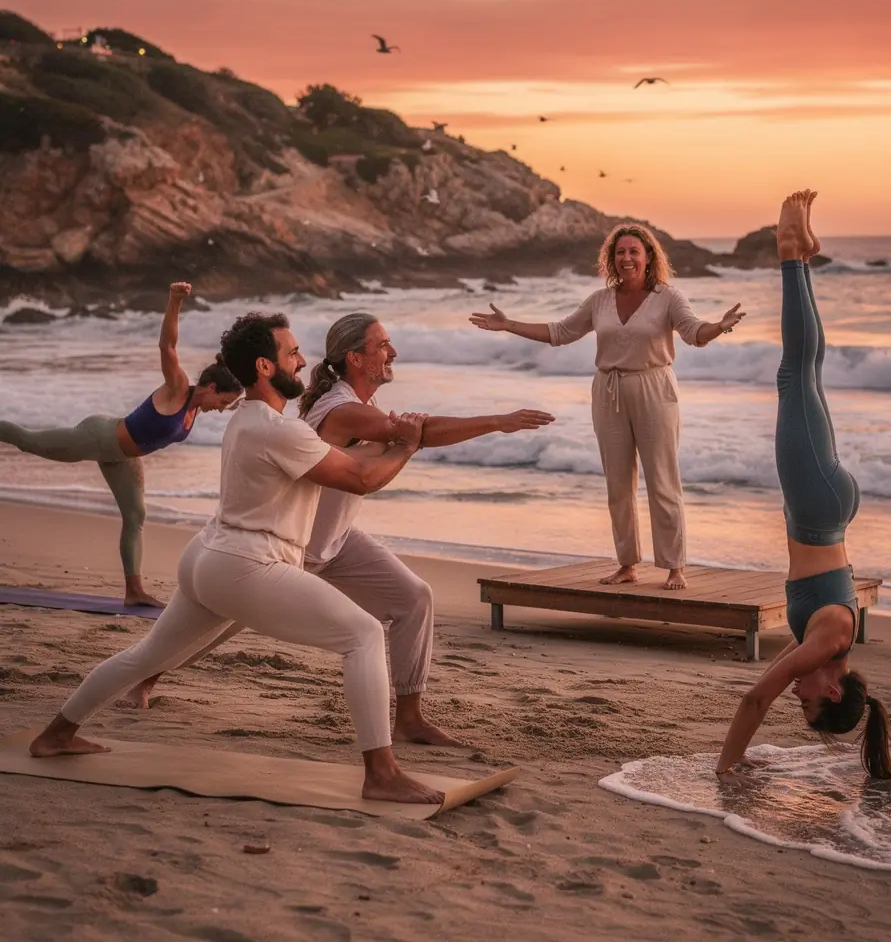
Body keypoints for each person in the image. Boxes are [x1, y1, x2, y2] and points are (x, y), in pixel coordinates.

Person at [29, 311, 446, 805]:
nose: (303, 360)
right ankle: (381, 773)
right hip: (247, 564)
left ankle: (57, 734)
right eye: (292, 353)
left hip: (209, 555)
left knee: (148, 656)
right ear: (267, 367)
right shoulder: (280, 431)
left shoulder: (251, 420)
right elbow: (360, 480)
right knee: (364, 634)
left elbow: (348, 465)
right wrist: (409, 444)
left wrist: (390, 446)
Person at [124, 313, 556, 741]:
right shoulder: (342, 411)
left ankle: (409, 718)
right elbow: (420, 433)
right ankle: (146, 675)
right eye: (381, 345)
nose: (393, 352)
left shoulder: (357, 405)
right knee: (211, 625)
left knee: (414, 598)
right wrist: (497, 421)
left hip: (334, 542)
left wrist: (406, 436)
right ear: (354, 358)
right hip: (289, 549)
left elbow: (401, 437)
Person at [715, 191, 891, 782]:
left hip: (829, 506)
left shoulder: (836, 642)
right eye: (809, 699)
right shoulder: (829, 643)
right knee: (795, 370)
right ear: (834, 687)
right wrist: (728, 763)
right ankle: (791, 253)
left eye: (800, 701)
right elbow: (757, 697)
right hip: (816, 504)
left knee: (805, 371)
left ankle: (802, 253)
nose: (798, 692)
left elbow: (772, 692)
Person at [469, 225, 745, 590]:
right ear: (611, 259)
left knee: (662, 481)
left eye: (634, 251)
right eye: (620, 253)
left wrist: (720, 327)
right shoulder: (600, 300)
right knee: (618, 484)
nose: (627, 258)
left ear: (649, 257)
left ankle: (674, 565)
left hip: (654, 388)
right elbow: (560, 332)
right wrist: (509, 326)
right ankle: (627, 564)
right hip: (608, 390)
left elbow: (693, 333)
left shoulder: (668, 297)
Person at [0, 282, 241, 605]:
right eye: (223, 401)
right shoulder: (178, 389)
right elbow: (167, 346)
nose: (222, 409)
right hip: (99, 437)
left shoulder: (196, 408)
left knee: (135, 515)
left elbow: (247, 396)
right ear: (210, 386)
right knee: (30, 442)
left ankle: (134, 592)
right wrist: (173, 301)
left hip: (123, 456)